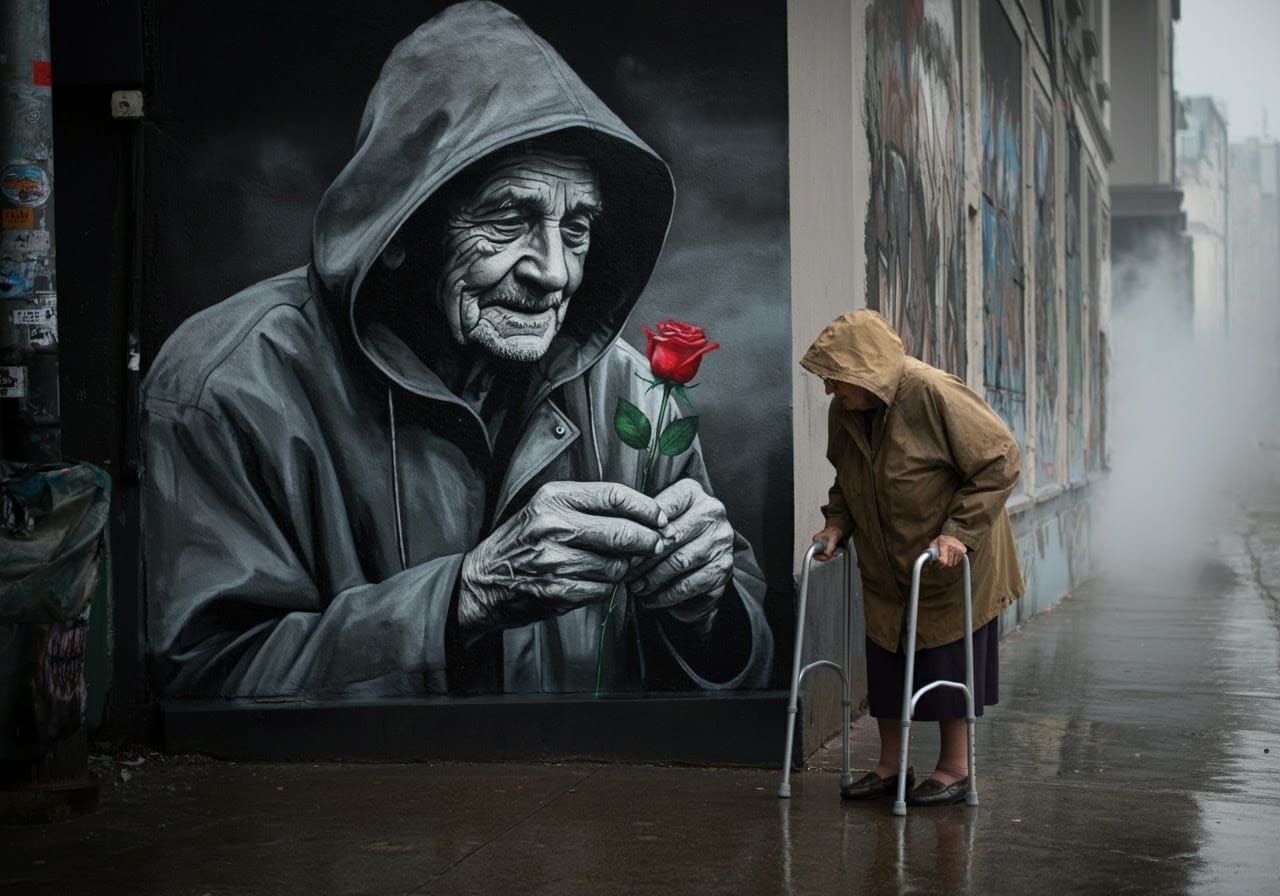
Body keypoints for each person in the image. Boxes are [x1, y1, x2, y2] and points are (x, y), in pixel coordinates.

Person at [140, 1, 772, 699]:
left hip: (585, 806)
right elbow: (200, 687)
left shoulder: (633, 397)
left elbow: (743, 676)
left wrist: (705, 609)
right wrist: (461, 599)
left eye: (579, 226)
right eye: (509, 217)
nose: (554, 271)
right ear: (401, 227)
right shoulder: (227, 386)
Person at [801, 309, 1024, 807]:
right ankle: (890, 766)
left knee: (946, 661)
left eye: (835, 379)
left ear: (866, 371)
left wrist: (958, 533)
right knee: (886, 661)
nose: (828, 391)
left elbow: (1000, 458)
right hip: (888, 560)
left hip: (948, 558)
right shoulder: (848, 411)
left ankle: (955, 769)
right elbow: (848, 478)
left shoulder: (931, 392)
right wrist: (838, 522)